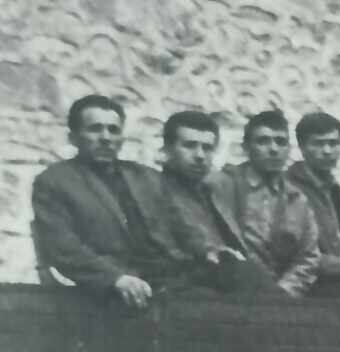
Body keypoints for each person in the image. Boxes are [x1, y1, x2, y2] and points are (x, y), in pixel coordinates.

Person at [32, 95, 229, 308]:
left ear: (122, 138)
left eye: (113, 130)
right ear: (73, 138)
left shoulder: (146, 176)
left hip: (171, 276)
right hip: (113, 288)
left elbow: (180, 224)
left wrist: (207, 250)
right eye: (95, 129)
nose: (106, 137)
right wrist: (114, 278)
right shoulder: (55, 181)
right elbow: (63, 246)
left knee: (245, 283)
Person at [159, 110, 285, 295]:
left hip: (226, 280)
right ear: (168, 149)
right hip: (184, 283)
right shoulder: (155, 190)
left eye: (207, 148)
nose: (200, 155)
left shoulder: (212, 192)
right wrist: (214, 252)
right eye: (189, 146)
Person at [207, 110, 321, 297]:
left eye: (280, 142)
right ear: (246, 147)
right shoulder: (222, 186)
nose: (273, 149)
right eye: (263, 141)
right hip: (227, 293)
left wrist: (282, 292)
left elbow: (308, 257)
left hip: (280, 298)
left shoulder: (297, 200)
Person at [288, 112, 340, 298]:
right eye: (318, 144)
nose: (327, 151)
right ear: (302, 148)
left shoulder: (336, 191)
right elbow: (294, 254)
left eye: (333, 143)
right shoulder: (291, 190)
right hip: (310, 286)